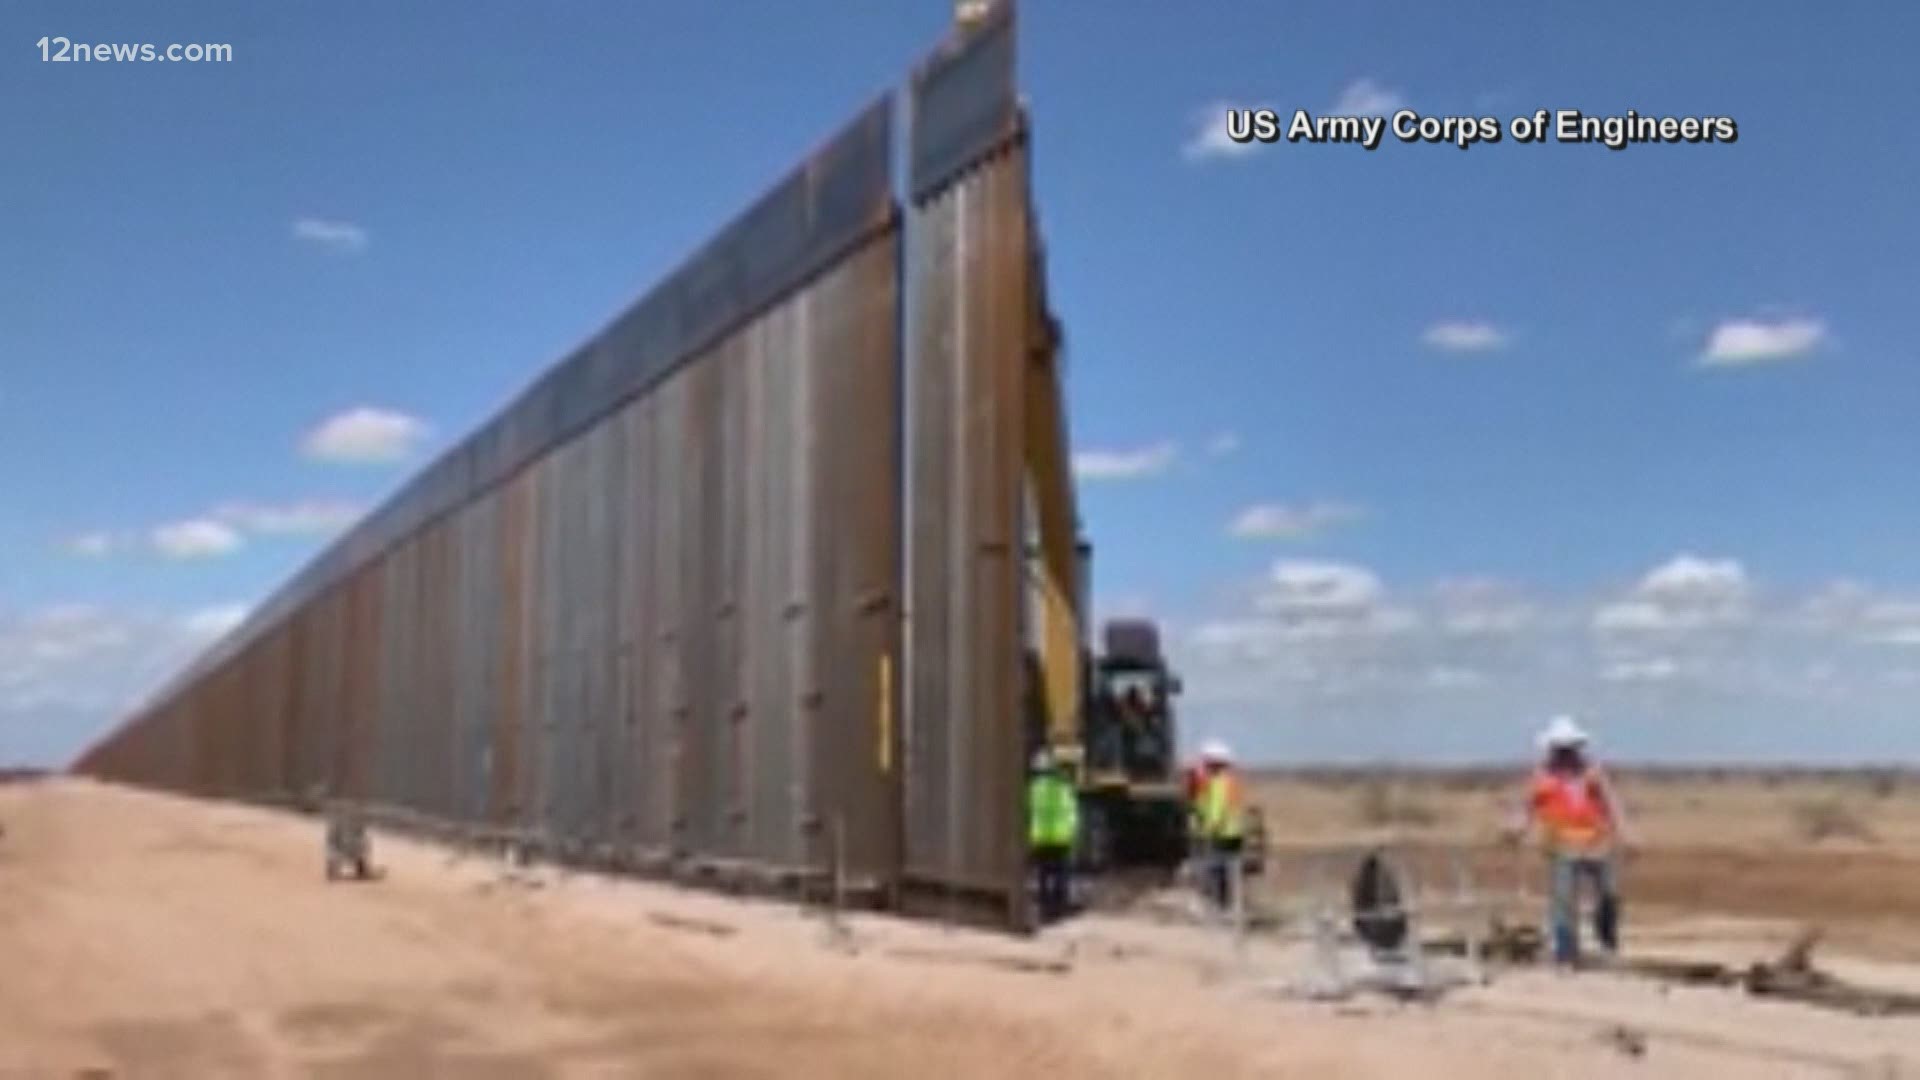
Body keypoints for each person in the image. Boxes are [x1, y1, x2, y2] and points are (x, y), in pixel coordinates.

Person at [1508, 715, 1631, 966]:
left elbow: (1612, 803)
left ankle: (1608, 943)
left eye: (1570, 748)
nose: (1566, 754)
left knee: (1609, 895)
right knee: (1564, 901)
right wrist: (1516, 828)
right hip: (1561, 846)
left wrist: (1625, 832)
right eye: (1561, 749)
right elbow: (1527, 806)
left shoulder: (1592, 774)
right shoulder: (1542, 778)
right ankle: (1565, 953)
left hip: (1597, 845)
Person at [1192, 738, 1247, 911]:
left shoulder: (1217, 783)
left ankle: (1219, 906)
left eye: (1206, 763)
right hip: (1236, 832)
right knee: (1229, 870)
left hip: (1222, 833)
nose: (1204, 767)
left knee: (1214, 868)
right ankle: (1232, 904)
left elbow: (1217, 810)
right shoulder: (1231, 781)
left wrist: (1208, 830)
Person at [1027, 748, 1079, 924]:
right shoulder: (1064, 787)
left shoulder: (1034, 789)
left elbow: (1028, 812)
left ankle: (1045, 907)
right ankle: (1059, 908)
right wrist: (1073, 834)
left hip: (1040, 837)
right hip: (1060, 838)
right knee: (1060, 876)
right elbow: (1071, 813)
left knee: (1043, 875)